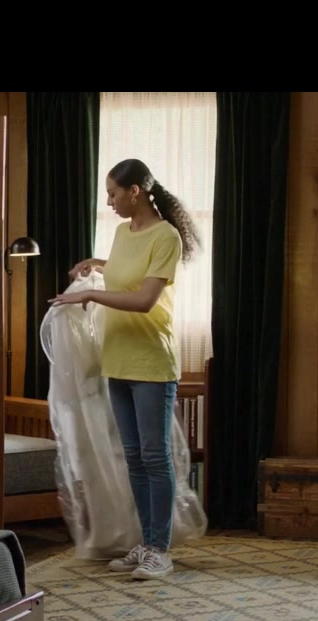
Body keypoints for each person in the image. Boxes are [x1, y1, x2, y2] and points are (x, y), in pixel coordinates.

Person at [50, 158, 201, 580]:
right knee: (133, 457)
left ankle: (160, 550)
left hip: (151, 362)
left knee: (154, 456)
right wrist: (96, 264)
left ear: (135, 192)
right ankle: (147, 541)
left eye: (113, 193)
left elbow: (144, 299)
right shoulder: (121, 233)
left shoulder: (166, 236)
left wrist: (90, 297)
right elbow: (124, 275)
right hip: (116, 359)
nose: (109, 201)